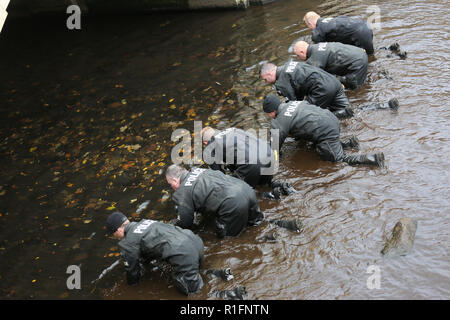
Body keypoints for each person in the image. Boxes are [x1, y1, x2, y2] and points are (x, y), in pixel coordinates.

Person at [262, 94, 385, 166]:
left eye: (268, 114)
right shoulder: (294, 102)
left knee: (339, 160)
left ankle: (373, 158)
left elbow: (274, 149)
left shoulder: (278, 121)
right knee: (320, 145)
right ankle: (350, 143)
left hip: (325, 131)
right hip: (332, 119)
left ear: (272, 112)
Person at [106, 211, 204, 296]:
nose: (117, 237)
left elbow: (132, 272)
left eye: (114, 235)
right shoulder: (146, 221)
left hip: (184, 254)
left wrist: (131, 288)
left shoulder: (127, 243)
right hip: (196, 242)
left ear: (118, 230)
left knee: (195, 293)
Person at [165, 164, 264, 238]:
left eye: (170, 184)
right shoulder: (201, 170)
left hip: (233, 204)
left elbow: (185, 222)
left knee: (229, 240)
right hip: (247, 189)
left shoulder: (181, 192)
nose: (172, 187)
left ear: (175, 180)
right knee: (258, 225)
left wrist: (175, 225)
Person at [201, 126, 295, 198]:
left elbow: (219, 177)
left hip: (252, 163)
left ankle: (271, 195)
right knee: (263, 184)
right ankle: (281, 186)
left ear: (205, 143)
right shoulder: (232, 129)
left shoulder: (209, 148)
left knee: (239, 191)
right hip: (268, 153)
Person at [260, 61, 354, 119]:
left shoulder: (281, 82)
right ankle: (345, 112)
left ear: (269, 73)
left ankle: (333, 117)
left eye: (265, 79)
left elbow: (293, 104)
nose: (266, 82)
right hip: (333, 81)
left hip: (321, 90)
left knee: (308, 114)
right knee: (349, 113)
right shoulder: (290, 64)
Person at [293, 41, 368, 90]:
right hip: (359, 53)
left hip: (357, 62)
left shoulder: (315, 58)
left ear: (302, 52)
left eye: (298, 55)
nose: (299, 58)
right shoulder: (317, 46)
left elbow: (314, 77)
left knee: (354, 89)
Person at [303, 11, 374, 55]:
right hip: (365, 24)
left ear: (309, 23)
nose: (310, 28)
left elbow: (320, 51)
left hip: (361, 34)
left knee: (367, 57)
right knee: (370, 55)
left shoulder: (317, 32)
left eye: (308, 26)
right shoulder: (331, 19)